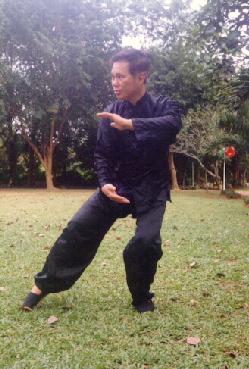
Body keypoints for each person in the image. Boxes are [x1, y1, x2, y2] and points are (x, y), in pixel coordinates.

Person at [22, 48, 182, 313]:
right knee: (78, 228)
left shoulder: (165, 106)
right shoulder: (111, 112)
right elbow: (102, 154)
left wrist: (130, 124)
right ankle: (42, 286)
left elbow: (172, 124)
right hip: (118, 185)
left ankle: (141, 297)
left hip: (152, 188)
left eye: (120, 77)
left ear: (141, 76)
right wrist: (105, 182)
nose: (114, 82)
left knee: (146, 242)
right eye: (113, 76)